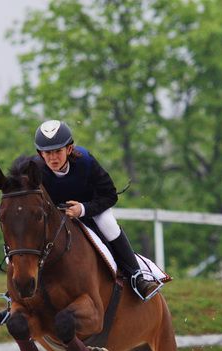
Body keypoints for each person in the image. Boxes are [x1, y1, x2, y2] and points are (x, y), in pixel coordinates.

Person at [33, 119, 161, 301]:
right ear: (40, 153)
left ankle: (137, 277)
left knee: (108, 224)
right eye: (47, 153)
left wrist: (82, 209)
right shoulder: (35, 170)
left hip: (91, 208)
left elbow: (110, 195)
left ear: (69, 149)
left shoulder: (85, 161)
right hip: (55, 215)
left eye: (58, 151)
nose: (53, 158)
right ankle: (13, 297)